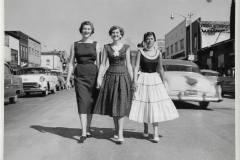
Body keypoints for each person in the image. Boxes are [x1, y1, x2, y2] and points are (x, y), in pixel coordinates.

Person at [129, 32, 179, 143]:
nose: (149, 41)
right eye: (147, 39)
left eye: (151, 39)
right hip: (143, 79)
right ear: (144, 41)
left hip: (155, 80)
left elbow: (160, 68)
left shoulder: (158, 53)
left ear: (154, 40)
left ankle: (155, 132)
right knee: (145, 104)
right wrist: (134, 81)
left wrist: (163, 81)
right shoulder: (140, 52)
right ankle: (146, 127)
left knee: (155, 105)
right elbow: (136, 67)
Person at [93, 26, 133, 144]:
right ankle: (116, 129)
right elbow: (102, 64)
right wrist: (99, 78)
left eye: (117, 32)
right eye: (113, 33)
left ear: (121, 35)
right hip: (110, 76)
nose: (115, 34)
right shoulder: (106, 47)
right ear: (110, 35)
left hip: (123, 77)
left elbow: (129, 65)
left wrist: (133, 79)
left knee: (121, 104)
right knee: (114, 104)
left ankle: (120, 132)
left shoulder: (126, 48)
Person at [65, 21, 101, 143]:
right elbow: (70, 64)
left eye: (89, 29)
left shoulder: (96, 45)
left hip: (93, 74)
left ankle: (88, 128)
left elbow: (100, 64)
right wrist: (67, 79)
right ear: (81, 30)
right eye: (84, 29)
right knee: (82, 102)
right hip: (79, 75)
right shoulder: (74, 45)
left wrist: (100, 78)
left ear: (92, 31)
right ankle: (83, 132)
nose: (86, 31)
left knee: (90, 102)